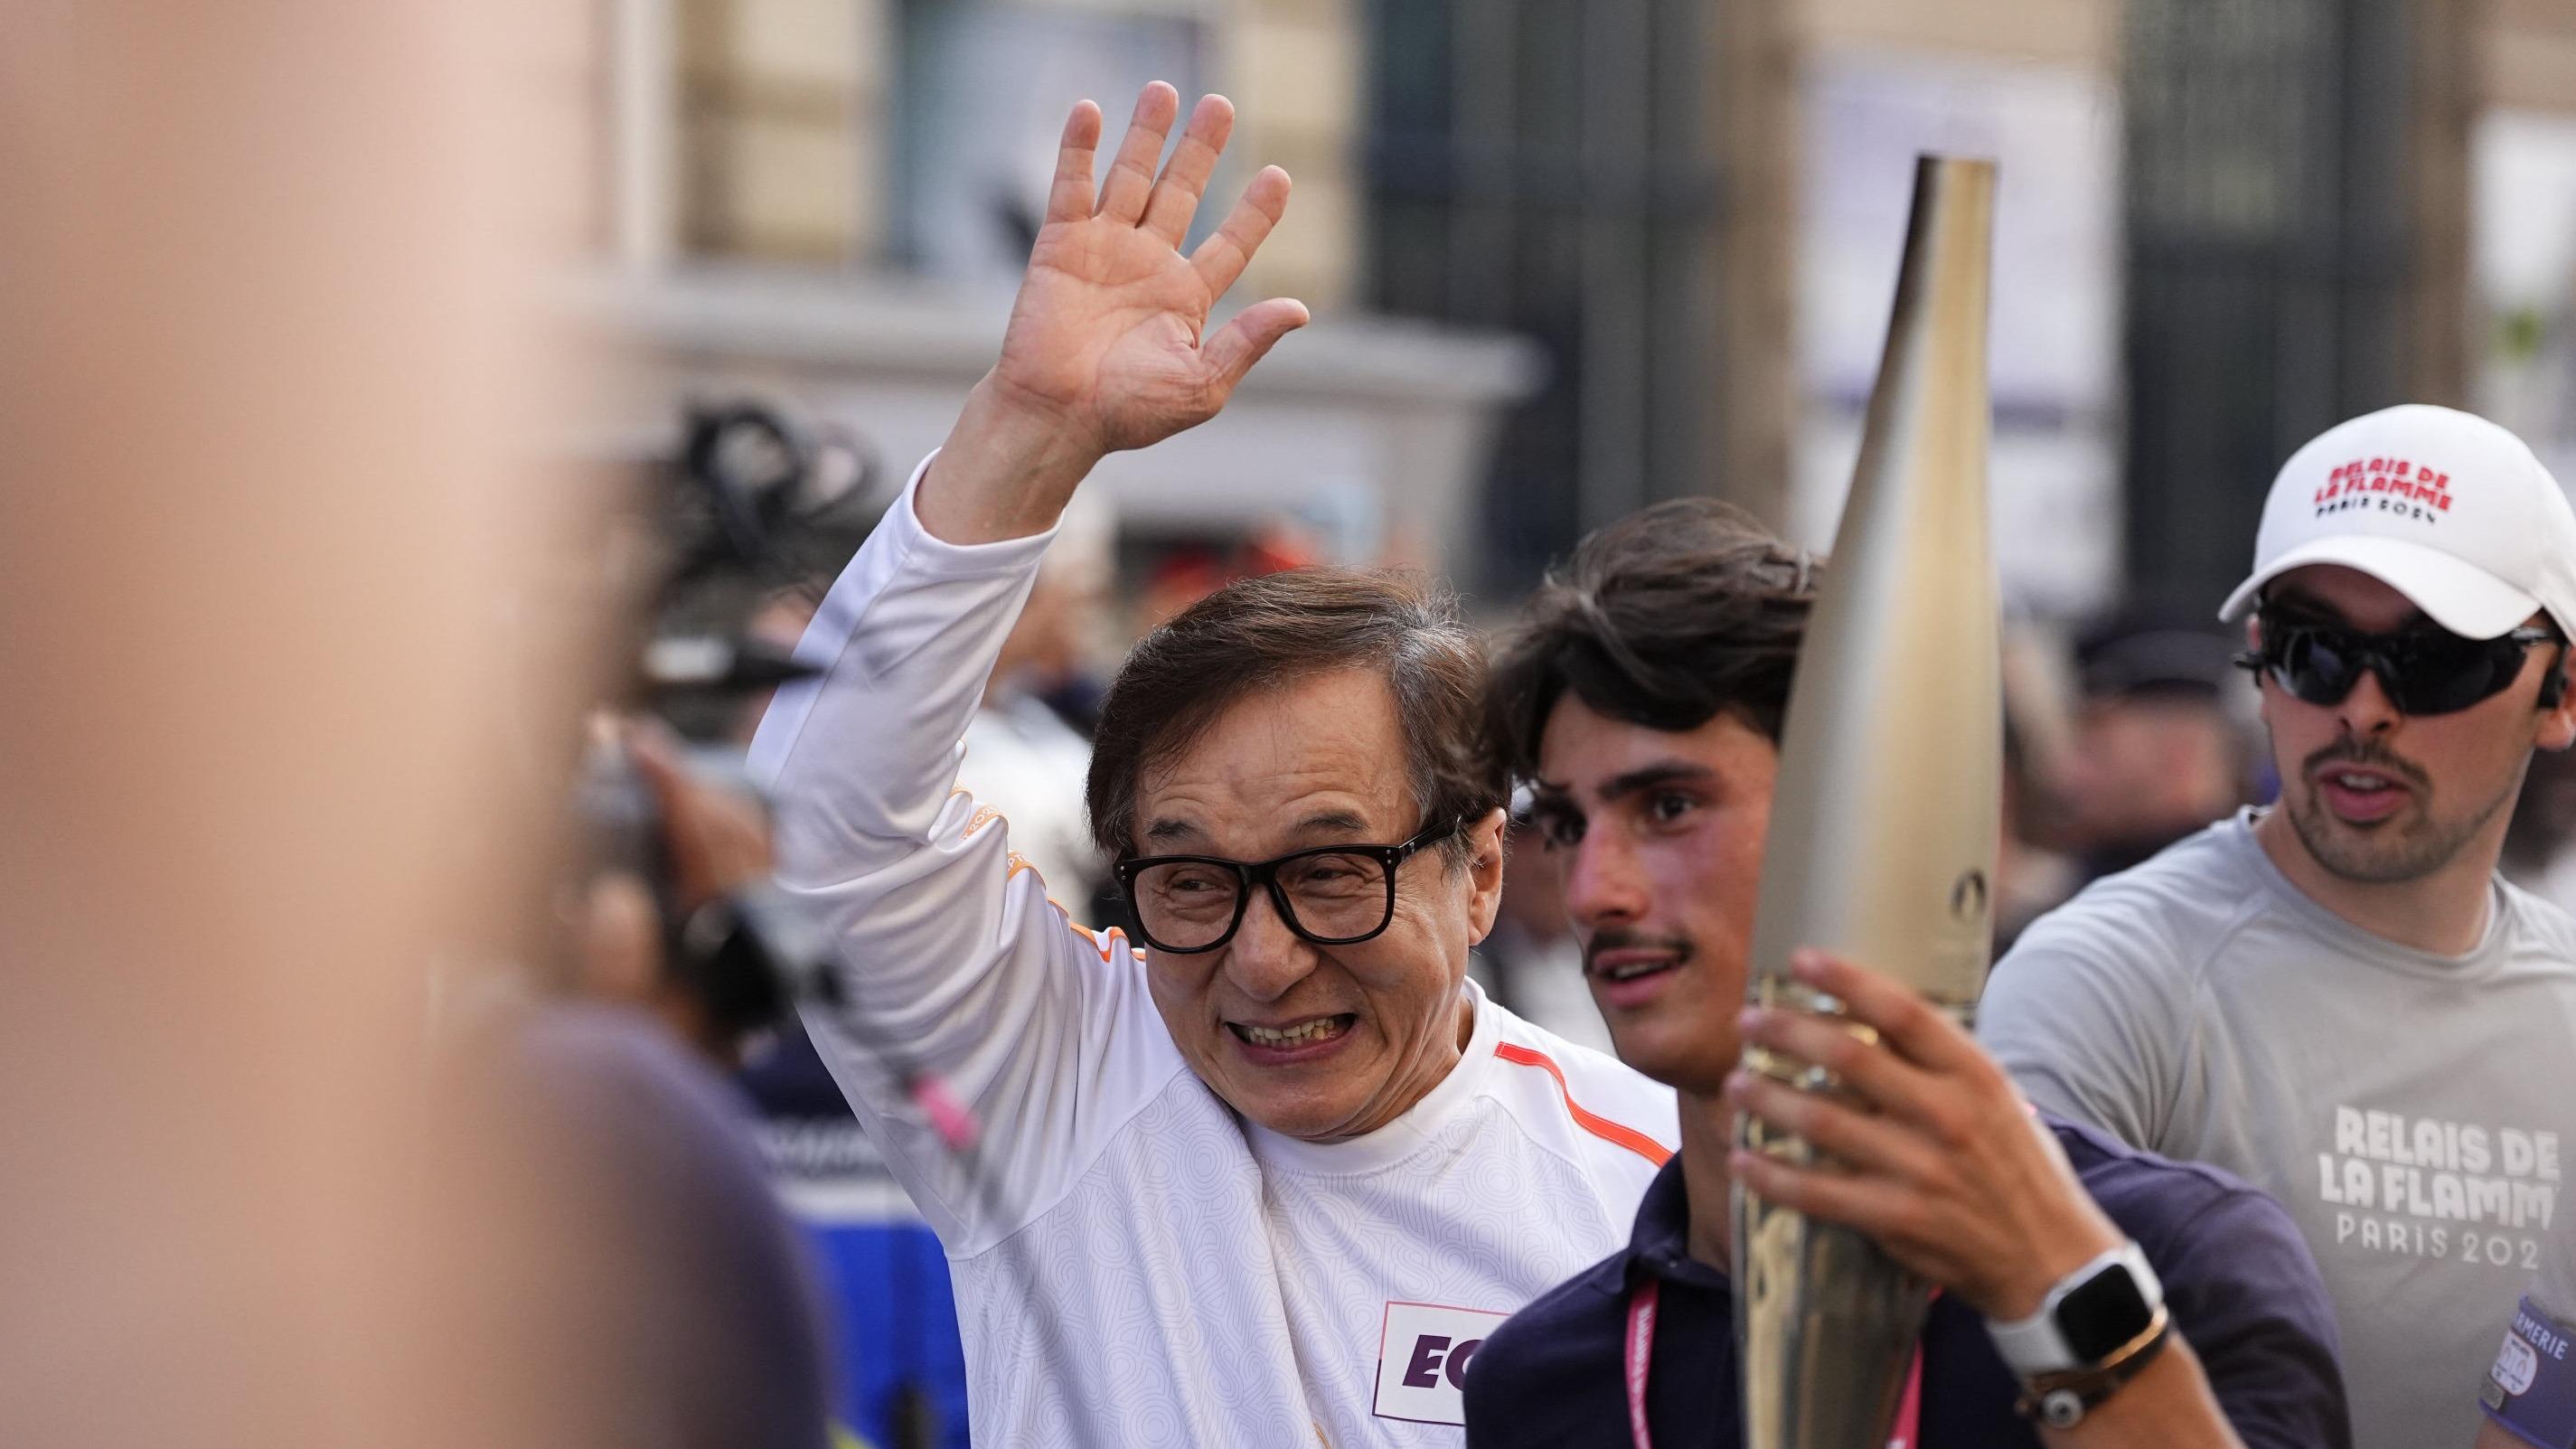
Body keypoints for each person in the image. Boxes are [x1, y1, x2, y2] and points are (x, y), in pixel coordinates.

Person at [751, 83, 1675, 1445]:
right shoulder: (1056, 1075)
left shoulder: (1650, 1200)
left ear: (1478, 867)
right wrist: (1027, 432)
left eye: (1327, 871)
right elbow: (824, 818)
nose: (1259, 959)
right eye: (1187, 880)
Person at [1462, 500, 2350, 1447]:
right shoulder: (1542, 1378)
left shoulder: (2181, 1260)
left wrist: (2059, 1295)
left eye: (1670, 806)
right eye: (1566, 825)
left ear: (1866, 816)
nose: (1596, 888)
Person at [1979, 404, 2576, 1449]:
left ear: (2560, 691)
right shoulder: (2107, 980)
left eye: (2434, 660)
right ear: (2258, 660)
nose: (2363, 709)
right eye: (2314, 652)